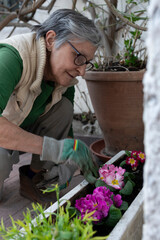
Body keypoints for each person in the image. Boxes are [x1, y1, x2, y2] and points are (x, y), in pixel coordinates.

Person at [0, 8, 101, 204]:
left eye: (87, 63)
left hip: (19, 129)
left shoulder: (64, 79)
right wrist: (56, 149)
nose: (82, 71)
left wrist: (70, 164)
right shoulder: (11, 58)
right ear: (51, 40)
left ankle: (32, 175)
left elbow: (66, 129)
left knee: (63, 108)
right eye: (78, 57)